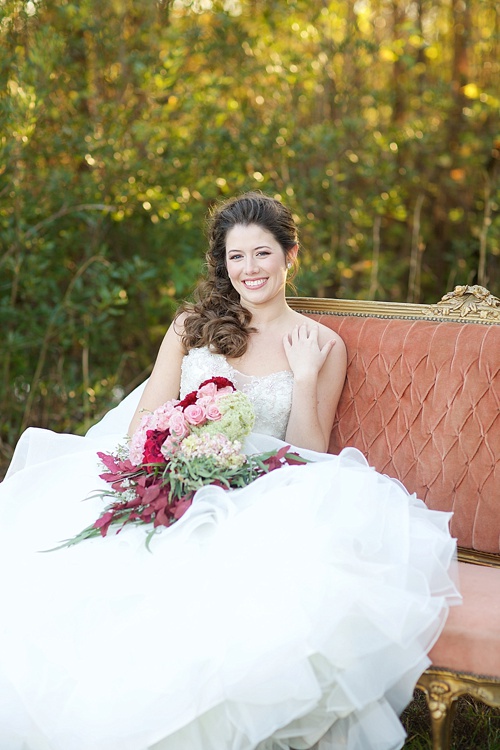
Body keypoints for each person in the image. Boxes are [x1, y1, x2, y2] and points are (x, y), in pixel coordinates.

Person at [0, 192, 460, 750]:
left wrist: (306, 377)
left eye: (262, 253)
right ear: (224, 263)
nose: (249, 270)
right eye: (235, 257)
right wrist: (173, 463)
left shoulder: (321, 344)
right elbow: (145, 422)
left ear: (291, 254)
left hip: (266, 484)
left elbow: (309, 452)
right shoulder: (192, 326)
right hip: (173, 470)